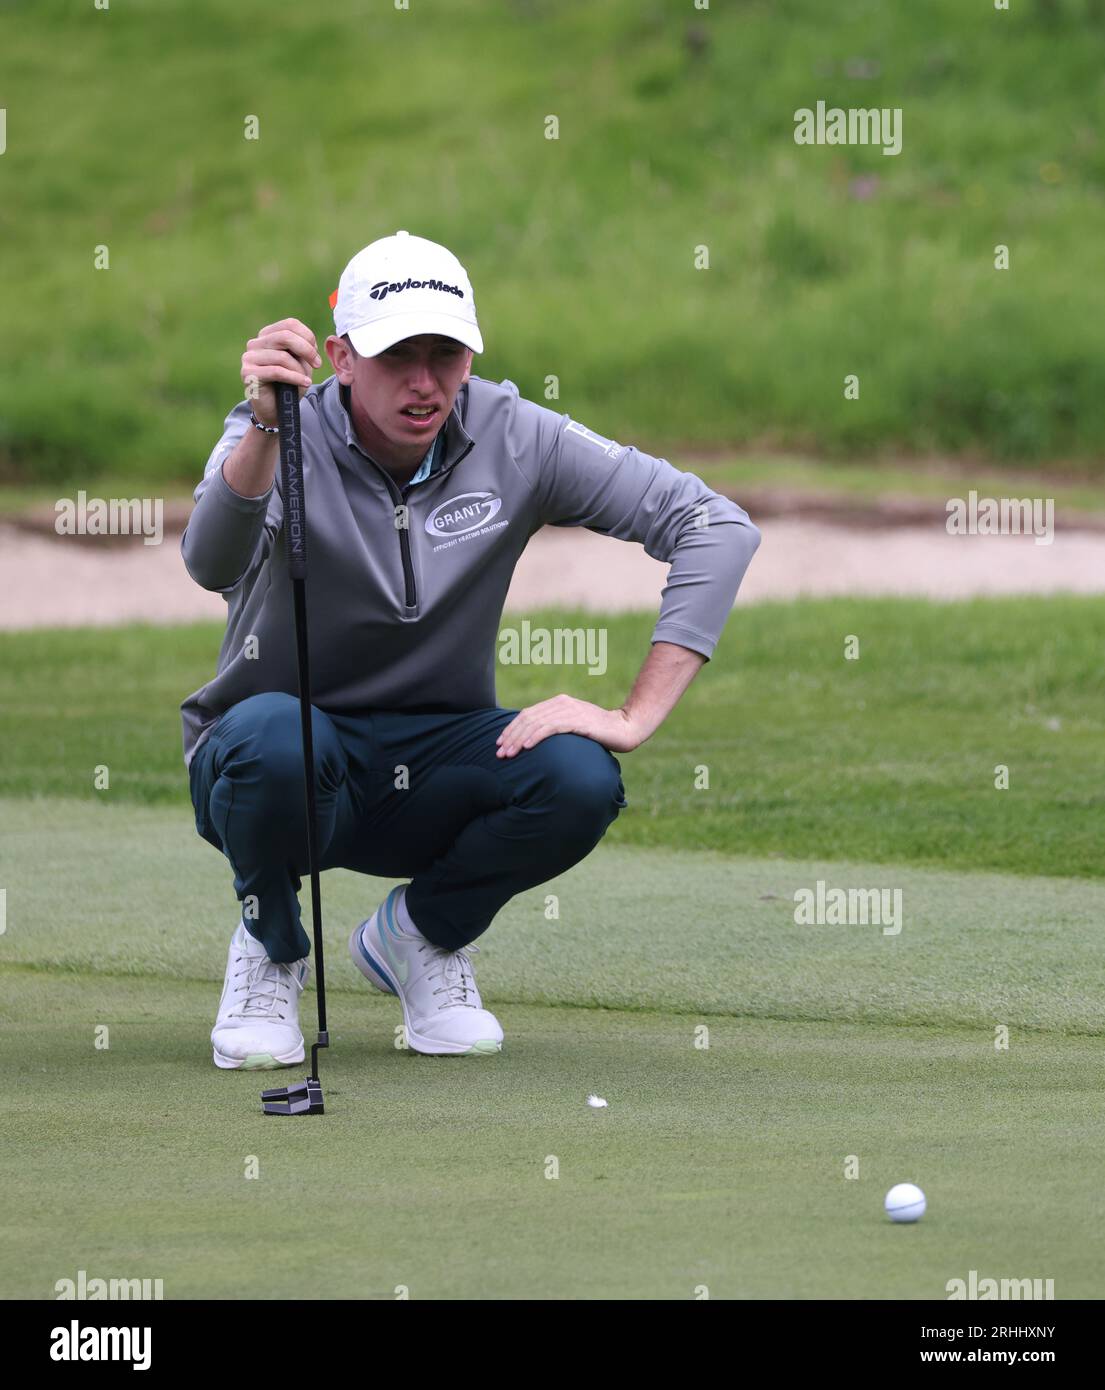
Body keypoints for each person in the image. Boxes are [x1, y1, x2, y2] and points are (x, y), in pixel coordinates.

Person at [181, 230, 761, 1069]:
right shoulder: (275, 429)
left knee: (578, 776)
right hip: (275, 763)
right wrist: (267, 433)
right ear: (341, 357)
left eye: (445, 353)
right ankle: (271, 949)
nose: (426, 382)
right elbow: (210, 563)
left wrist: (635, 714)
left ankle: (418, 937)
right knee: (276, 741)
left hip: (433, 765)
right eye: (397, 356)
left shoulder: (513, 433)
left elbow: (714, 524)